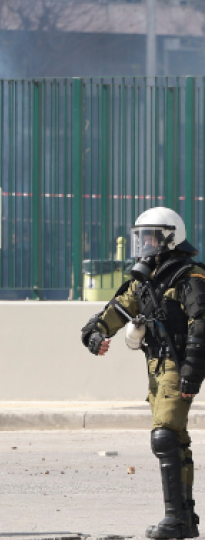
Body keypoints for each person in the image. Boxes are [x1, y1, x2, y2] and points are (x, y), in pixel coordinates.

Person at [82, 207, 205, 539]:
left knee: (164, 437)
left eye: (152, 237)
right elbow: (117, 309)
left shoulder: (189, 277)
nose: (146, 243)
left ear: (170, 238)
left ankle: (175, 519)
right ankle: (185, 519)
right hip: (156, 367)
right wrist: (95, 333)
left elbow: (201, 326)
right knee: (175, 440)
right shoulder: (146, 280)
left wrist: (192, 372)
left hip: (176, 365)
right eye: (143, 237)